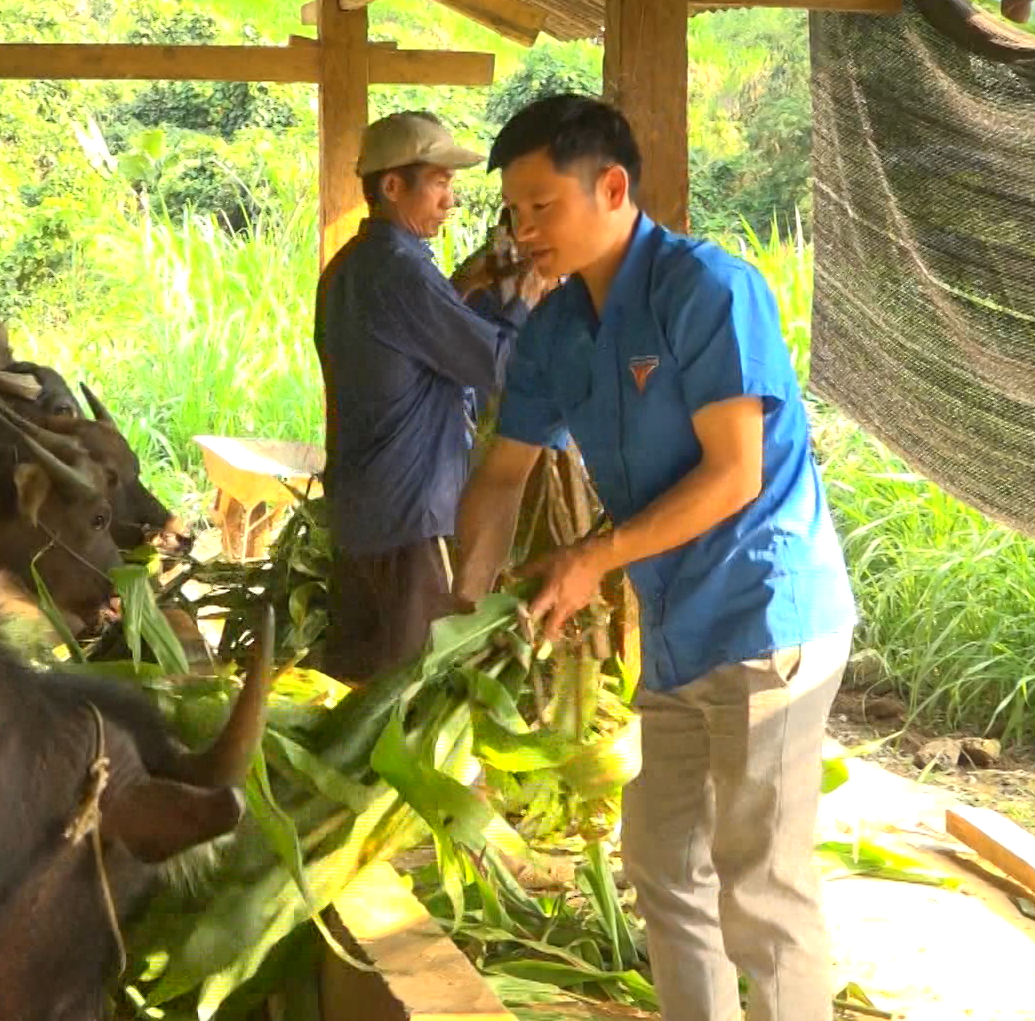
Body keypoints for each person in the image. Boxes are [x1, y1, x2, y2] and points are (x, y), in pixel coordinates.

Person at [452, 94, 857, 1021]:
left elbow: (733, 476)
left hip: (767, 616)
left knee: (760, 884)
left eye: (542, 207)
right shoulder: (556, 331)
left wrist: (591, 558)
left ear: (614, 188)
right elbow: (501, 475)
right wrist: (462, 605)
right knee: (666, 860)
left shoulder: (707, 290)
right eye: (513, 212)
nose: (523, 232)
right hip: (678, 631)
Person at [313, 110, 530, 685]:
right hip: (410, 516)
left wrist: (466, 283)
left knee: (357, 683)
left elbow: (410, 349)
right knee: (408, 692)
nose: (449, 201)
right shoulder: (401, 271)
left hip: (362, 511)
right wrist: (529, 293)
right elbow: (498, 364)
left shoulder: (353, 267)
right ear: (391, 186)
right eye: (439, 183)